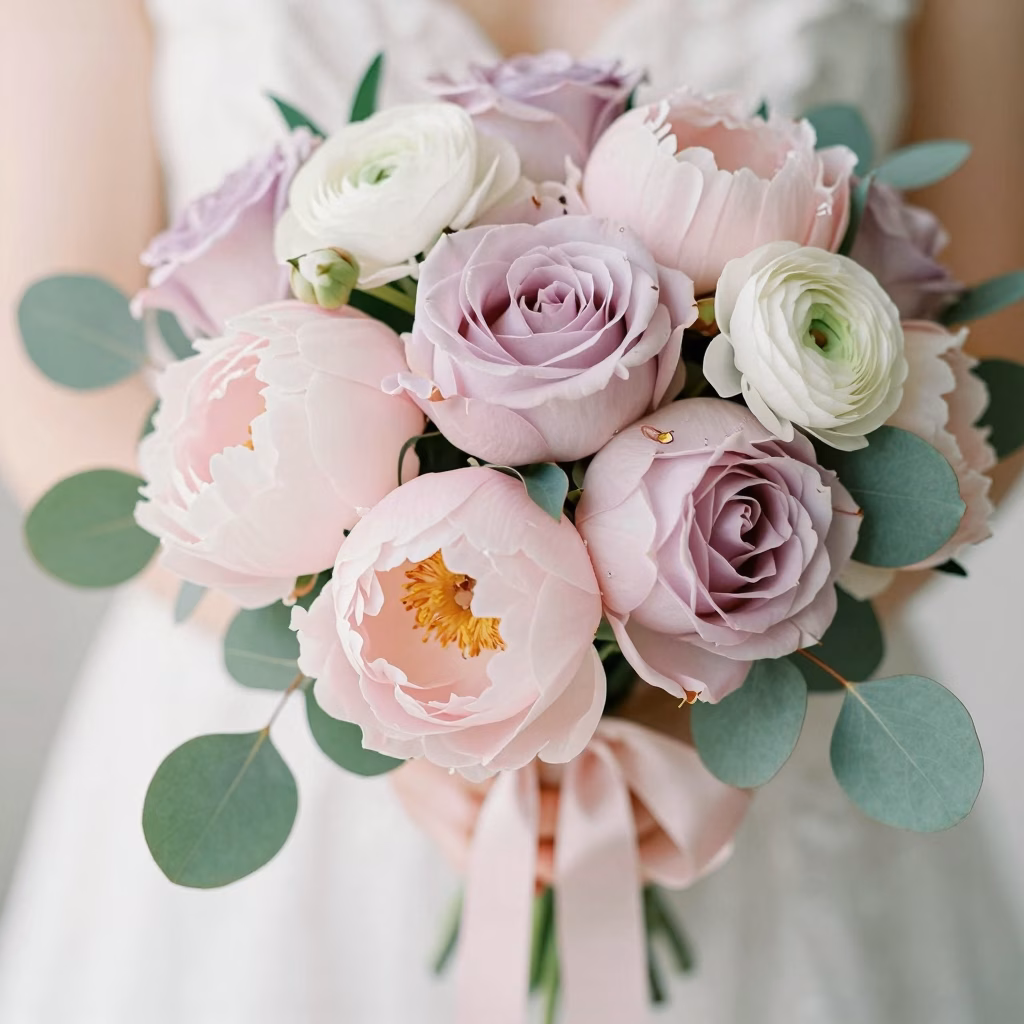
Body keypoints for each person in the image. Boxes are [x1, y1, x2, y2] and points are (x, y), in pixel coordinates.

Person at [1, 1, 1023, 1020]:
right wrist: (376, 692)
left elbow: (984, 364)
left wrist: (706, 678)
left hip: (760, 740)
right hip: (297, 725)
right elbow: (57, 397)